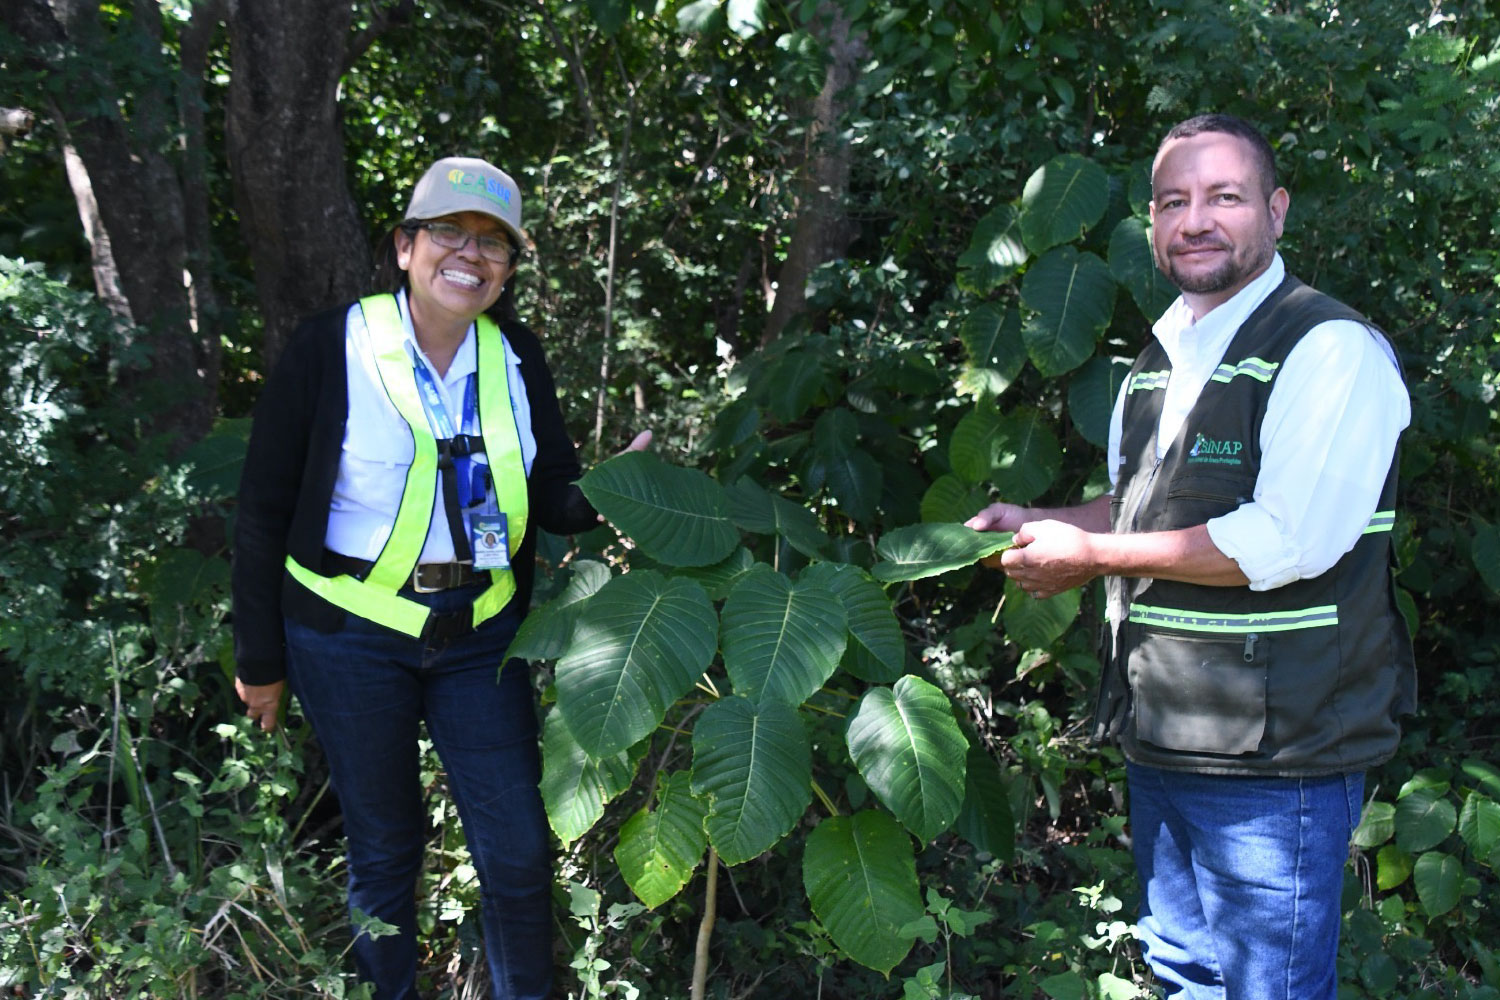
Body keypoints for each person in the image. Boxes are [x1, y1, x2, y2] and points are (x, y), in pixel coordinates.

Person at [966, 114, 1415, 999]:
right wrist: (1043, 516)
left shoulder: (1327, 349)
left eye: (1224, 197)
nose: (1195, 219)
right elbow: (1139, 509)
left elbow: (1284, 540)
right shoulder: (1159, 360)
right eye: (1174, 201)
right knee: (1184, 978)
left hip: (1280, 756)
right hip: (1165, 738)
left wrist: (1090, 555)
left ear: (1276, 211)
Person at [231, 155, 648, 1000]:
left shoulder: (515, 355)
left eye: (494, 243)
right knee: (386, 846)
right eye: (450, 233)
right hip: (349, 637)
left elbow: (553, 493)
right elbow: (261, 511)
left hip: (479, 633)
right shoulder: (329, 346)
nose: (471, 254)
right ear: (405, 247)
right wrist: (260, 659)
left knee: (519, 850)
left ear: (507, 272)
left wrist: (620, 491)